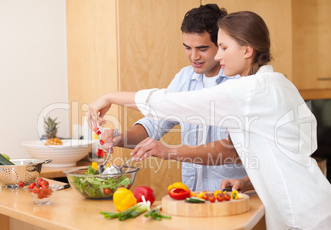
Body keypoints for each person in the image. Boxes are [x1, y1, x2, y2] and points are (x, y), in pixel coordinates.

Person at [87, 11, 331, 230]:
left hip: (310, 226)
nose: (218, 57)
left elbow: (171, 104)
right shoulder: (272, 84)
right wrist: (246, 181)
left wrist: (110, 97)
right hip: (308, 223)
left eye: (222, 47)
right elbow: (282, 156)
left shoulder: (251, 90)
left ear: (246, 50)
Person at [99, 4, 247, 191]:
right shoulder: (185, 78)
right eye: (188, 47)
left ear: (221, 45)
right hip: (192, 193)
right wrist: (120, 139)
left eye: (202, 48)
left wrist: (168, 151)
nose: (194, 56)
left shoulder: (239, 82)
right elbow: (155, 123)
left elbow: (228, 150)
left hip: (234, 194)